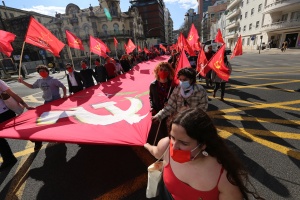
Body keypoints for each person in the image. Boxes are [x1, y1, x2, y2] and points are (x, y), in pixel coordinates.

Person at [144, 108, 265, 200]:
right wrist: (147, 145)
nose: (174, 146)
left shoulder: (224, 178)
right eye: (173, 137)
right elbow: (156, 152)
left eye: (184, 143)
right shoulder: (165, 145)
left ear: (203, 145)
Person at [18, 65, 67, 150]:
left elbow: (63, 87)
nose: (42, 73)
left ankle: (61, 135)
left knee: (58, 119)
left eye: (43, 71)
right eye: (40, 71)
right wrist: (22, 82)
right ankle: (44, 139)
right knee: (45, 120)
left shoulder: (53, 80)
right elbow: (32, 86)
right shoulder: (39, 81)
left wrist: (65, 94)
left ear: (47, 71)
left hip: (56, 102)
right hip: (46, 102)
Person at [0, 79, 33, 171]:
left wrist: (26, 105)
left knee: (19, 130)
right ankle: (9, 158)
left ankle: (35, 137)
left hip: (5, 113)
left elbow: (13, 94)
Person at [148, 62, 175, 144]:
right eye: (161, 69)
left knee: (171, 128)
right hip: (158, 110)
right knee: (161, 130)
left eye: (166, 70)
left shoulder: (172, 85)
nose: (163, 72)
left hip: (169, 111)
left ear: (169, 72)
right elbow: (151, 97)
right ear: (157, 71)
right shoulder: (153, 85)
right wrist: (152, 107)